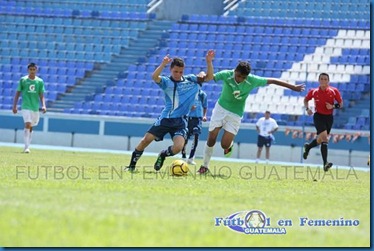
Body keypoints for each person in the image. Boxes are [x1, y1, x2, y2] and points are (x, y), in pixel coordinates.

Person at [197, 52, 305, 174]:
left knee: (224, 145)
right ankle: (204, 166)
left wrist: (293, 87)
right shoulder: (226, 74)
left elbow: (273, 80)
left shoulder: (252, 80)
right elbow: (209, 77)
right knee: (211, 137)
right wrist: (208, 64)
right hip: (220, 109)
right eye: (238, 76)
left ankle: (229, 145)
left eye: (243, 78)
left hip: (235, 114)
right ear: (235, 71)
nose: (240, 79)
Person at [125, 50, 214, 172]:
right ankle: (131, 166)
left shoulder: (191, 80)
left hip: (181, 121)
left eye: (180, 72)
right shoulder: (167, 82)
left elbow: (208, 77)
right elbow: (154, 77)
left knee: (178, 147)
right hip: (165, 119)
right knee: (145, 141)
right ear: (170, 70)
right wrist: (163, 64)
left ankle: (162, 155)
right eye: (175, 71)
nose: (178, 74)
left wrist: (209, 62)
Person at [303, 73, 343, 172]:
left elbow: (341, 104)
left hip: (329, 118)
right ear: (319, 80)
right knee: (325, 138)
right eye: (321, 79)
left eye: (325, 79)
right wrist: (307, 109)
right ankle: (325, 163)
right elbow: (306, 99)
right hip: (318, 117)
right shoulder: (314, 92)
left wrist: (333, 106)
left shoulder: (334, 91)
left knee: (320, 140)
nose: (323, 81)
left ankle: (308, 147)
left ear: (328, 81)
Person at [12, 62, 46, 153]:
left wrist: (43, 105)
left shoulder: (39, 81)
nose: (32, 71)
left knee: (31, 126)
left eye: (34, 69)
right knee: (27, 124)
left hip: (35, 107)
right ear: (28, 70)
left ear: (36, 70)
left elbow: (41, 94)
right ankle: (26, 147)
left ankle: (28, 145)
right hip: (25, 106)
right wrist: (14, 106)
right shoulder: (23, 80)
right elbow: (18, 93)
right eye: (30, 69)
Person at [181, 88, 208, 165]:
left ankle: (191, 158)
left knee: (196, 137)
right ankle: (183, 156)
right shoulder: (188, 94)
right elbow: (182, 105)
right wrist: (189, 108)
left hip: (198, 119)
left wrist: (204, 116)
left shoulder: (202, 94)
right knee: (185, 138)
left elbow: (205, 106)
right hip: (188, 118)